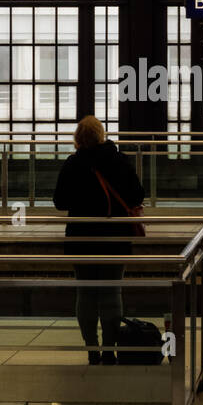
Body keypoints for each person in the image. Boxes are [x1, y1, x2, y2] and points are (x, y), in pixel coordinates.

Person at [52, 115, 145, 365]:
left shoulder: (73, 164)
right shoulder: (120, 161)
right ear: (101, 135)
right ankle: (109, 349)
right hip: (115, 239)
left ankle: (91, 348)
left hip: (81, 240)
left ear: (78, 138)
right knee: (112, 291)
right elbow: (137, 195)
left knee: (86, 293)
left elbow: (60, 202)